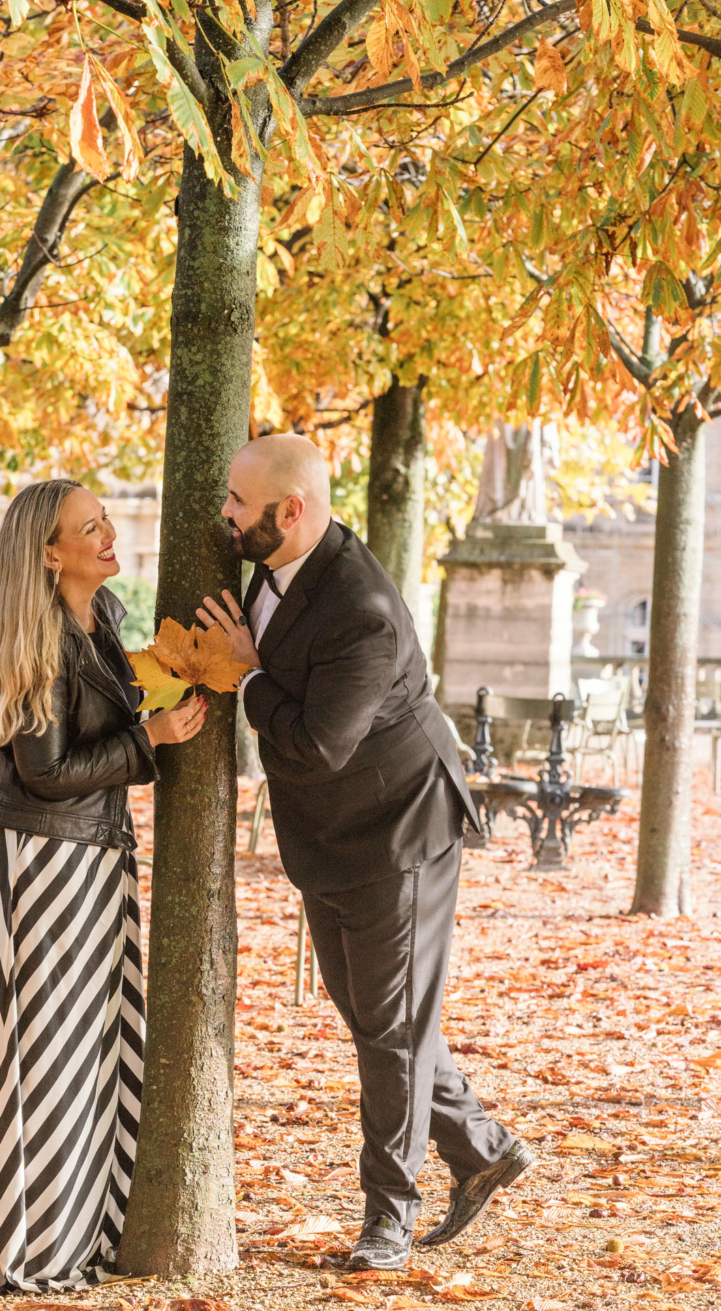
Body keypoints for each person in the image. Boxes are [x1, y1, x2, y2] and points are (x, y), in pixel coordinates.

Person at [197, 434, 532, 1269]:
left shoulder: (361, 613)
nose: (224, 517)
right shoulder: (267, 557)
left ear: (294, 511)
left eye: (239, 504)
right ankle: (485, 1146)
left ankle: (390, 1214)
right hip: (328, 835)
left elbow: (315, 747)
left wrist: (242, 674)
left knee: (387, 1028)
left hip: (398, 831)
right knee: (378, 1020)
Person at [0, 480, 206, 1295]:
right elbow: (46, 771)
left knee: (71, 1056)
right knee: (19, 1055)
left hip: (85, 861)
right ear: (50, 552)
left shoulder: (106, 616)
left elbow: (99, 722)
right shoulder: (38, 636)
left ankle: (62, 1225)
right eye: (90, 527)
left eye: (103, 520)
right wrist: (150, 738)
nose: (108, 533)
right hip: (30, 866)